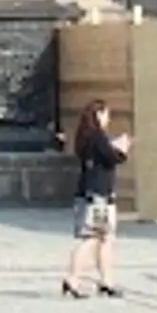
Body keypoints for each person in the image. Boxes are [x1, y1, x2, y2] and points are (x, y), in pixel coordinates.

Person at [57, 100, 131, 300]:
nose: (108, 119)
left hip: (90, 195)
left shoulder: (86, 137)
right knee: (93, 238)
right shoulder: (98, 137)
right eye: (106, 114)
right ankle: (72, 280)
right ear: (99, 115)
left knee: (105, 239)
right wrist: (122, 148)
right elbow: (112, 158)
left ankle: (107, 282)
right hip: (99, 197)